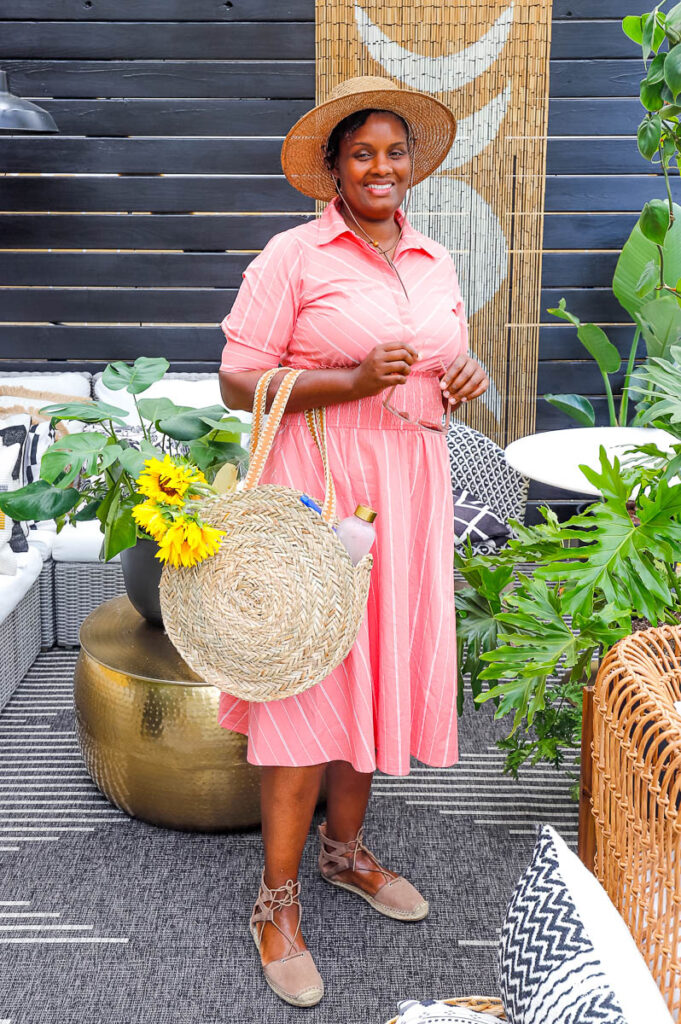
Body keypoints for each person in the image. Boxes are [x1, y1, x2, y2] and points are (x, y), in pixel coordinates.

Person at [218, 75, 489, 1008]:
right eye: (362, 152)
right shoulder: (292, 257)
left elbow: (447, 355)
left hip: (409, 491)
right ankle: (274, 901)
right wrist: (348, 376)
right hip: (319, 493)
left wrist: (467, 375)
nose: (382, 167)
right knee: (307, 683)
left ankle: (342, 855)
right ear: (333, 168)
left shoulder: (434, 258)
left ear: (410, 165)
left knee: (372, 671)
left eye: (394, 152)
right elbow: (234, 380)